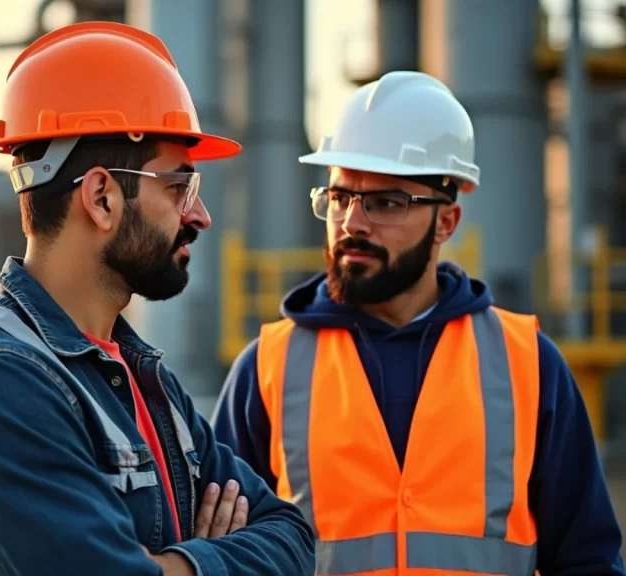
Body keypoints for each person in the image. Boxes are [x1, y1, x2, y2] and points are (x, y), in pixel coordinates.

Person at [0, 22, 315, 576]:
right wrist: (211, 558)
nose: (199, 216)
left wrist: (174, 566)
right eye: (178, 187)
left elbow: (292, 536)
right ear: (100, 197)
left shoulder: (142, 377)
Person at [211, 70, 624, 575]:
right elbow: (222, 555)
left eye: (387, 202)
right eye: (339, 198)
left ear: (446, 222)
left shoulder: (528, 365)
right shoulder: (266, 370)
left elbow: (588, 560)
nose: (352, 223)